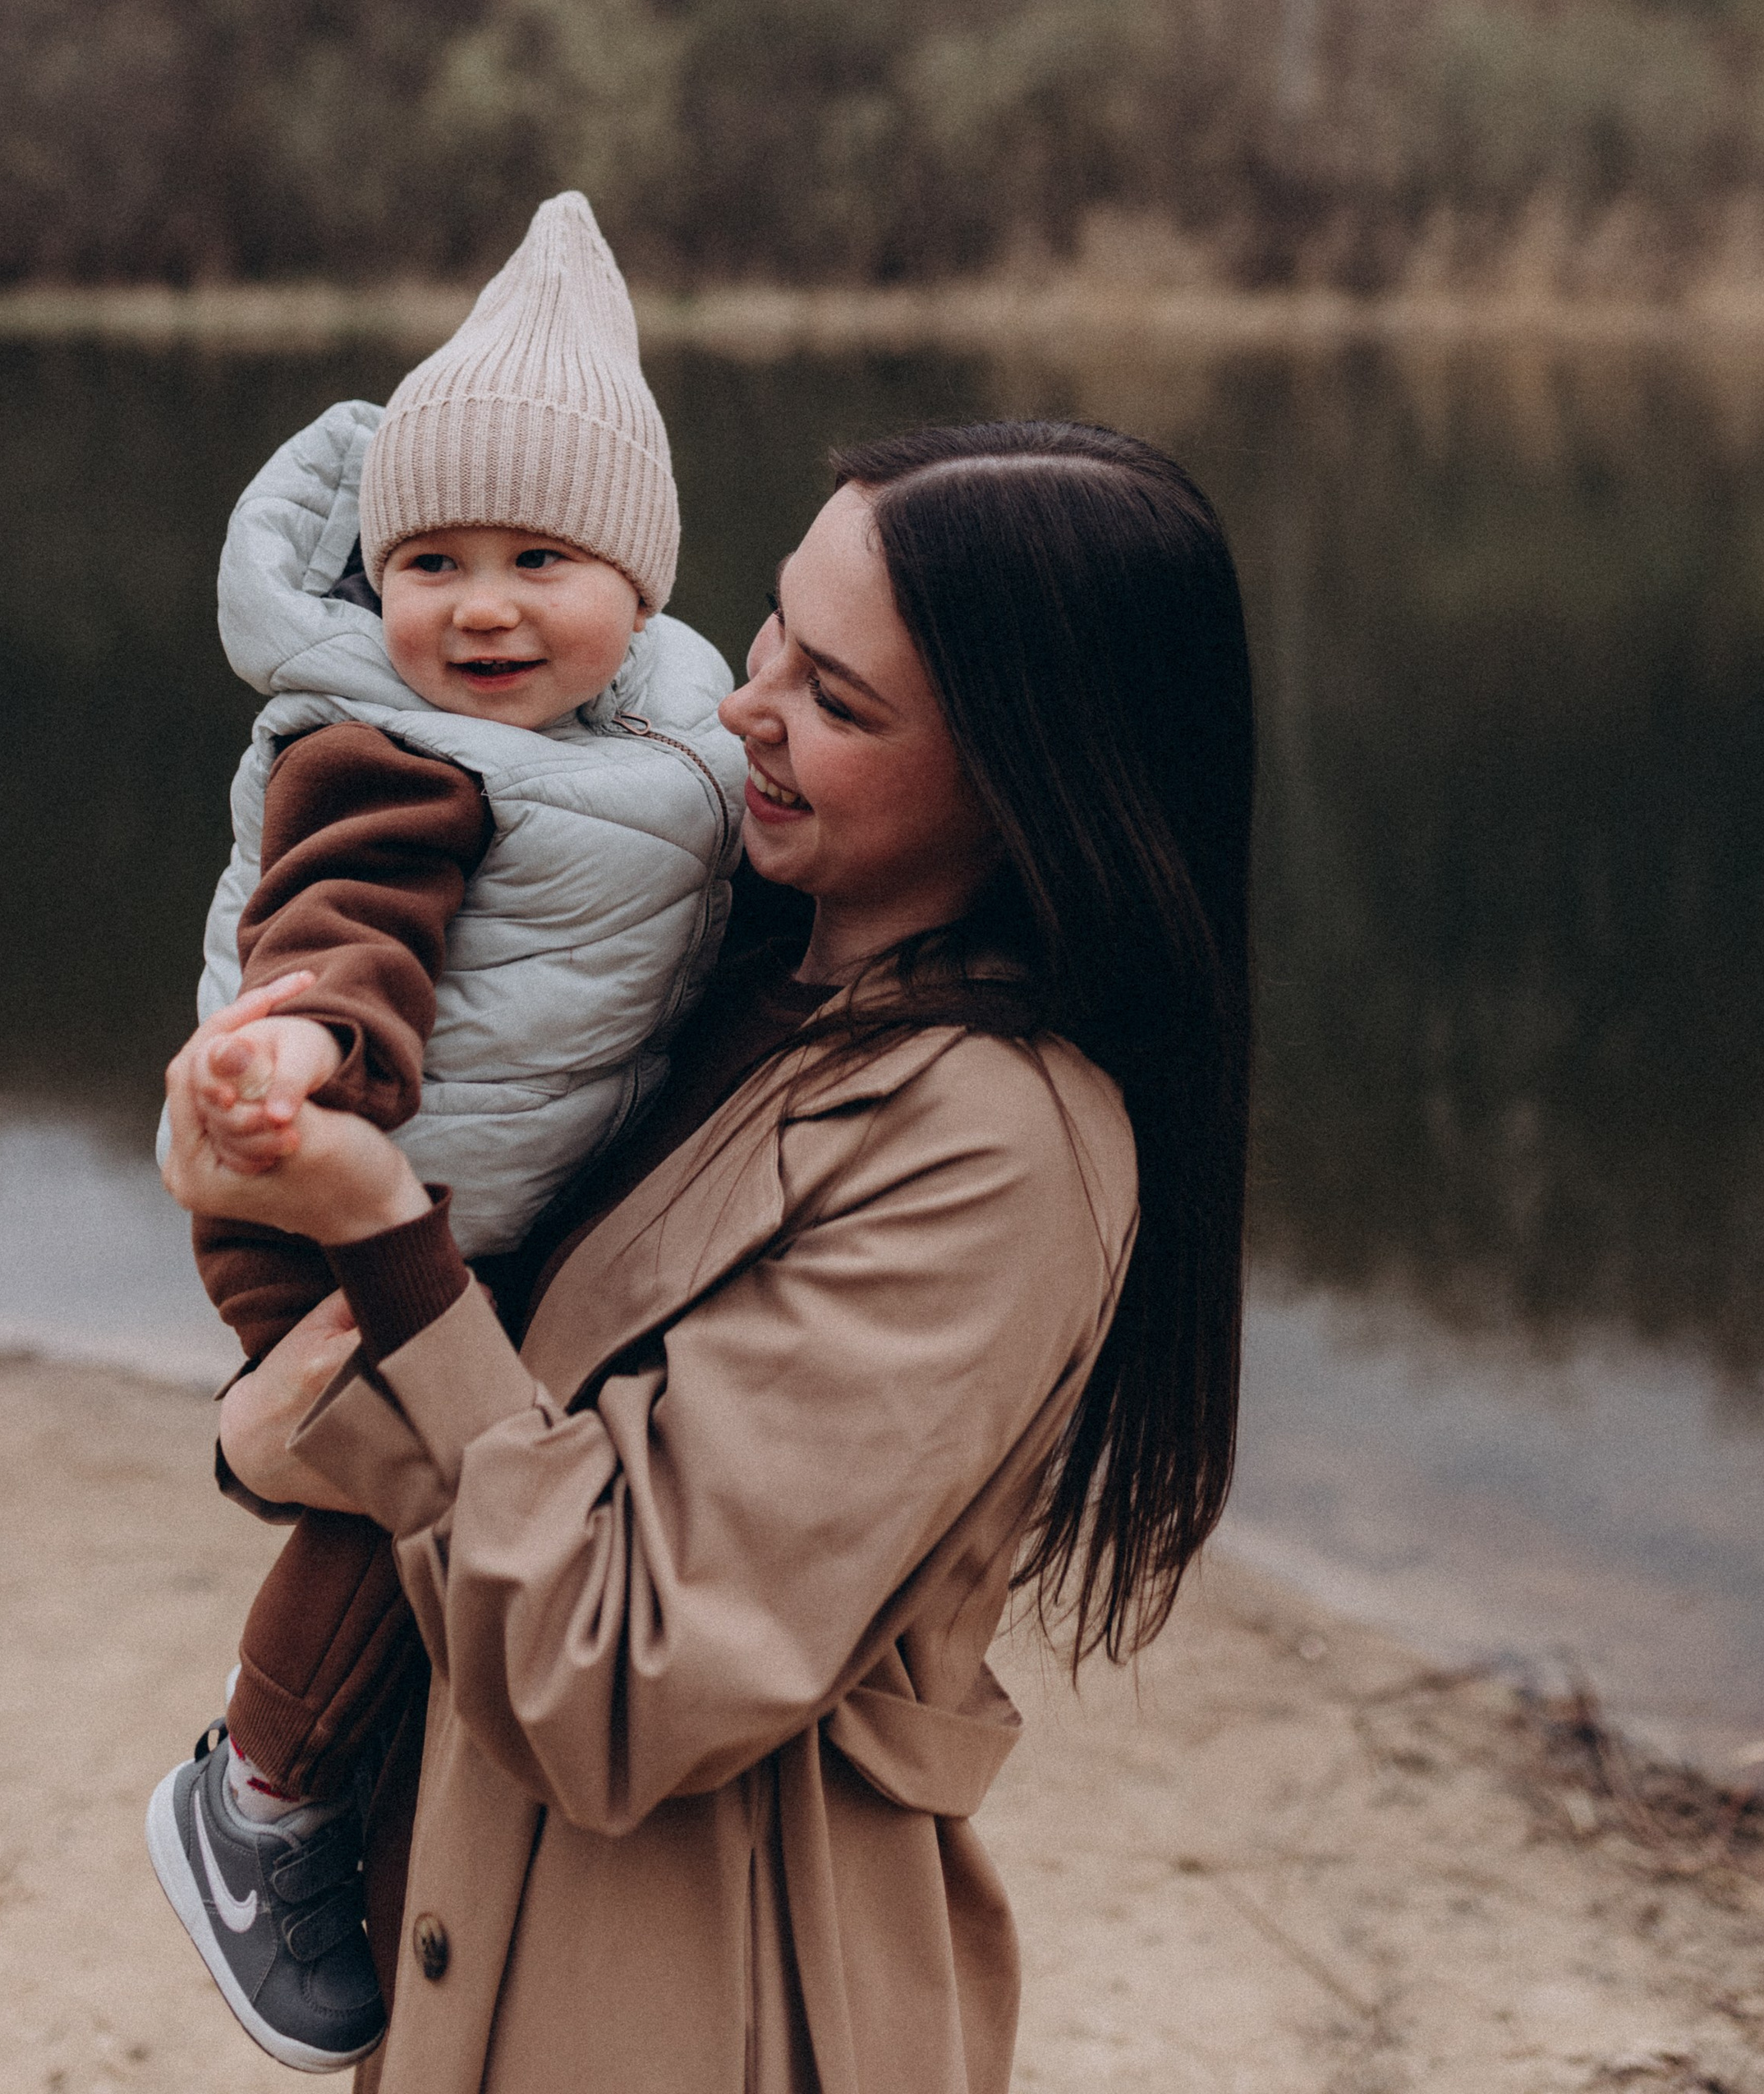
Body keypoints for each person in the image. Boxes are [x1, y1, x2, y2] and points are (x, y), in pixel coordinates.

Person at [161, 416, 1256, 2094]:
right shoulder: (695, 958)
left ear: (1030, 781)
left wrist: (373, 1230)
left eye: (838, 702)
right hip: (466, 1924)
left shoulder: (998, 1144)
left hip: (700, 1999)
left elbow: (612, 1671)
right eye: (771, 633)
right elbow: (472, 1383)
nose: (746, 708)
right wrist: (267, 1303)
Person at [146, 191, 745, 2073]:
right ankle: (256, 1798)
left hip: (475, 1192)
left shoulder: (646, 737)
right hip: (328, 1185)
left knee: (466, 1475)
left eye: (535, 558)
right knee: (396, 1482)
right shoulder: (389, 755)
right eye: (427, 562)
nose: (477, 606)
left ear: (635, 589)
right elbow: (342, 933)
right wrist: (303, 1055)